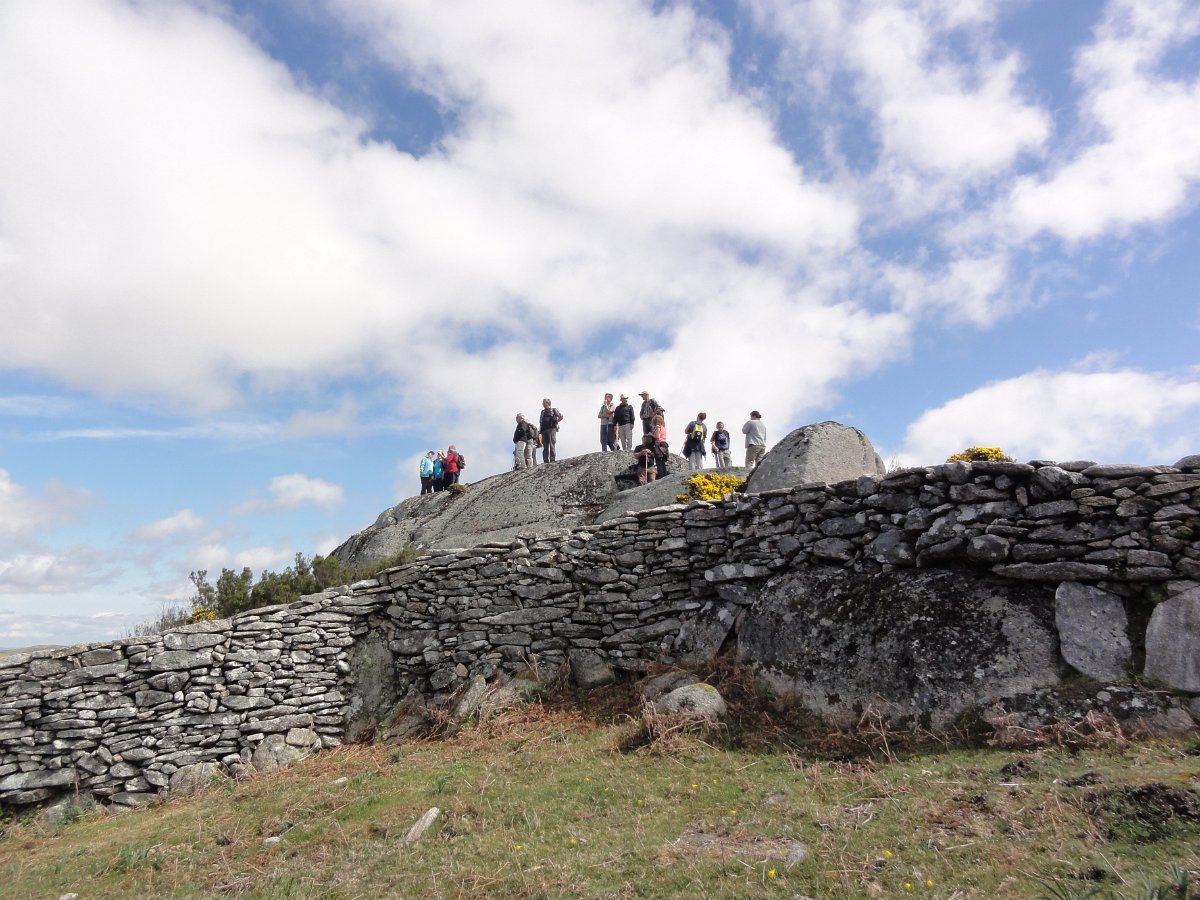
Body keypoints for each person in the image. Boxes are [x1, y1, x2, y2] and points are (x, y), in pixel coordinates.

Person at [539, 398, 564, 463]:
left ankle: (552, 459)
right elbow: (541, 421)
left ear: (548, 403)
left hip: (552, 428)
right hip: (544, 430)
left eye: (544, 403)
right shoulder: (542, 412)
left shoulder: (553, 410)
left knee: (552, 443)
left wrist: (556, 421)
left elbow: (561, 416)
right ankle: (545, 460)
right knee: (545, 446)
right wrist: (540, 431)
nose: (543, 404)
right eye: (543, 403)